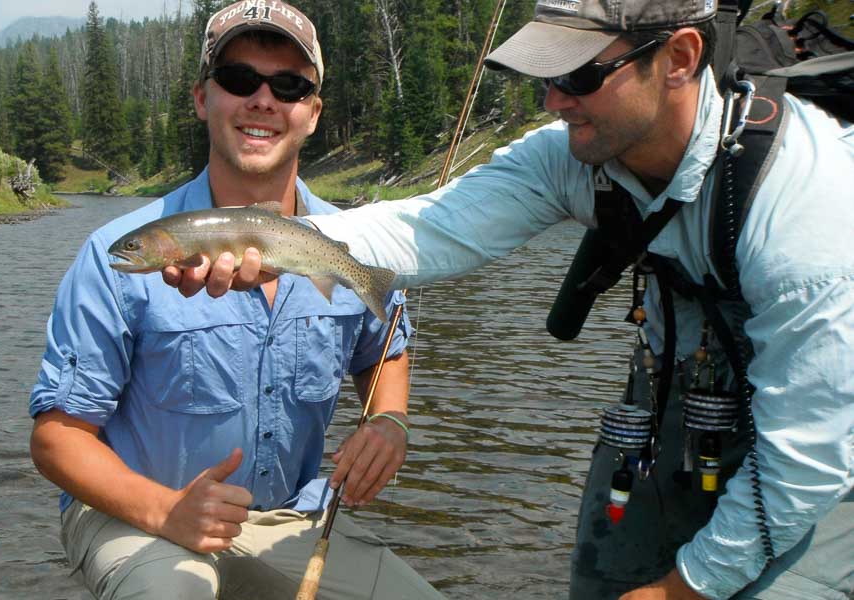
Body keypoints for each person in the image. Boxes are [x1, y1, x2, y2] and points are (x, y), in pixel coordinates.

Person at [169, 1, 854, 599]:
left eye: (580, 75)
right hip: (679, 400)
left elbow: (806, 462)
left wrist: (684, 589)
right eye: (548, 76)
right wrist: (266, 239)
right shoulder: (573, 156)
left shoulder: (806, 213)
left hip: (822, 442)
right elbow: (426, 228)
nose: (554, 101)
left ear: (679, 58)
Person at [28, 2, 447, 599]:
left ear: (313, 113)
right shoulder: (111, 257)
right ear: (203, 98)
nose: (263, 100)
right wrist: (165, 510)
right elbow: (56, 438)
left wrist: (387, 421)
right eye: (239, 80)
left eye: (289, 86)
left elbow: (385, 349)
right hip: (133, 515)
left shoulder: (352, 243)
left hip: (288, 520)